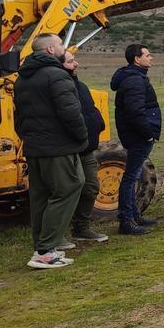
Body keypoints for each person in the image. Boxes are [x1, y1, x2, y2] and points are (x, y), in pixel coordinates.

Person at [15, 33, 87, 268]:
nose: (62, 47)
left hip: (34, 147)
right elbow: (70, 112)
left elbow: (19, 116)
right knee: (69, 187)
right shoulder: (56, 75)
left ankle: (44, 245)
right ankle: (46, 250)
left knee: (41, 196)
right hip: (57, 146)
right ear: (49, 50)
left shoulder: (23, 78)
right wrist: (82, 137)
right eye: (59, 44)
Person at [110, 44, 161, 236]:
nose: (151, 57)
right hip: (138, 136)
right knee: (131, 178)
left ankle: (134, 215)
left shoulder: (133, 77)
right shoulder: (134, 81)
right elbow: (135, 111)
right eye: (148, 55)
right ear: (137, 59)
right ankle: (127, 220)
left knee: (133, 175)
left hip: (135, 135)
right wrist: (148, 133)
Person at [62, 51, 108, 243]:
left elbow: (89, 109)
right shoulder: (59, 88)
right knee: (66, 191)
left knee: (90, 187)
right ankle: (59, 234)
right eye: (71, 61)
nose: (76, 64)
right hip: (68, 149)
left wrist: (98, 123)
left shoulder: (80, 86)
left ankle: (81, 228)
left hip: (87, 148)